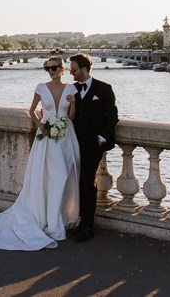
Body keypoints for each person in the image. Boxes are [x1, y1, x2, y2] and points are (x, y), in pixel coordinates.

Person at [0, 56, 81, 250]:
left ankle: (58, 219)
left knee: (64, 176)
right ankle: (49, 221)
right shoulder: (40, 87)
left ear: (62, 69)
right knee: (46, 178)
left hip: (65, 137)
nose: (51, 71)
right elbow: (32, 111)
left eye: (54, 67)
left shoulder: (71, 89)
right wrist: (42, 126)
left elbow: (71, 117)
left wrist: (73, 104)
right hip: (46, 137)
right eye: (48, 68)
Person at [66, 52, 119, 242]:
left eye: (74, 70)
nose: (71, 73)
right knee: (77, 182)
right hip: (73, 142)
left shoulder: (104, 89)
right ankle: (81, 222)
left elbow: (113, 116)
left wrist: (102, 137)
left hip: (93, 144)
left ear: (85, 69)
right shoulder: (70, 90)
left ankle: (88, 226)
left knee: (87, 182)